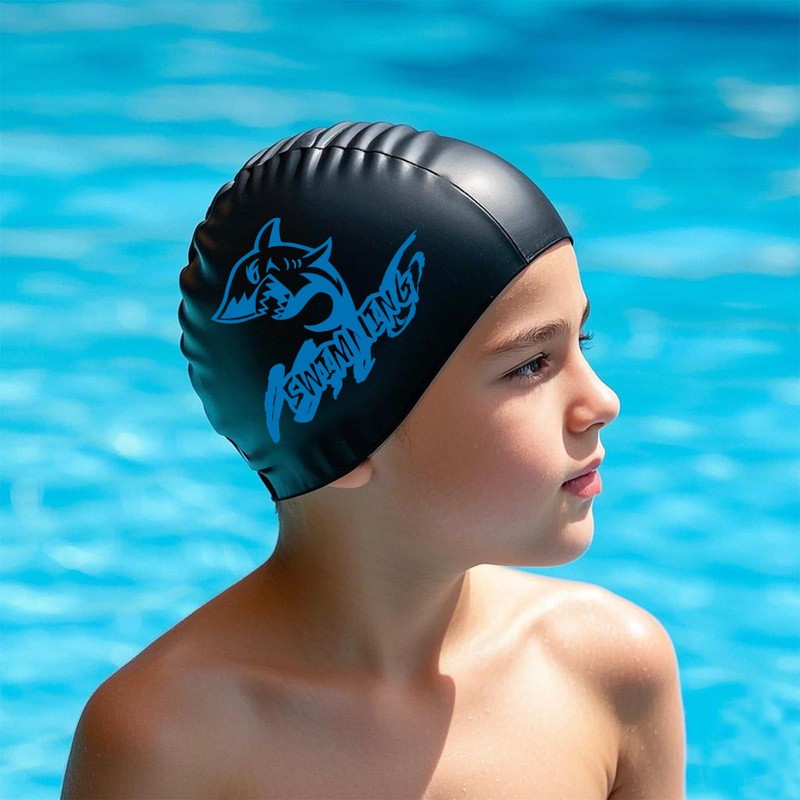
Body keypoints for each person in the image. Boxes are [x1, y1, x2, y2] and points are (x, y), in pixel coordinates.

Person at [62, 122, 686, 799]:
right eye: (531, 365)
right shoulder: (169, 739)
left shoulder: (609, 670)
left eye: (581, 341)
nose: (602, 401)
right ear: (351, 435)